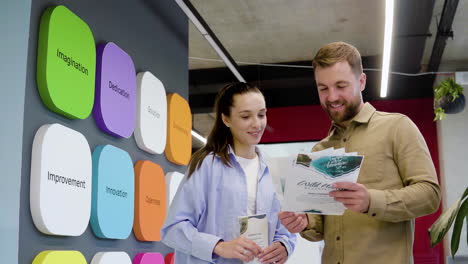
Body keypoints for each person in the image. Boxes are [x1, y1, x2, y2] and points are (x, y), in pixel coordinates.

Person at [278, 42, 441, 264]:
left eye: (341, 85)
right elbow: (318, 228)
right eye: (323, 88)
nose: (332, 97)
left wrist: (371, 201)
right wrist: (303, 222)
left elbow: (430, 195)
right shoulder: (320, 150)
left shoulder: (397, 127)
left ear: (362, 81)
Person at [162, 82, 296, 264]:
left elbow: (284, 228)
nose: (257, 124)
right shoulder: (207, 165)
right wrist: (218, 246)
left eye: (262, 115)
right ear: (226, 119)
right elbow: (173, 229)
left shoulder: (273, 169)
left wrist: (284, 245)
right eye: (246, 116)